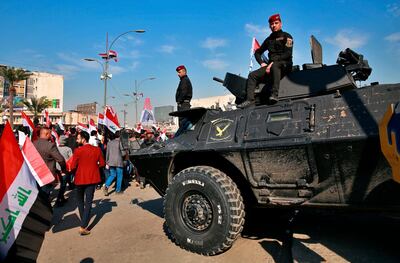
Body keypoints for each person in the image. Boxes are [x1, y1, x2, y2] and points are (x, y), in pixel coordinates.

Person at [238, 14, 293, 108]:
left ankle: (274, 94)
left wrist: (272, 63)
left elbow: (288, 54)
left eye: (276, 23)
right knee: (252, 75)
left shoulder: (287, 37)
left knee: (276, 65)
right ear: (269, 26)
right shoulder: (269, 40)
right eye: (272, 24)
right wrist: (262, 63)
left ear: (281, 24)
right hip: (270, 66)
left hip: (285, 64)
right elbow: (258, 52)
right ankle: (250, 100)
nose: (274, 25)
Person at [70, 131, 105, 235]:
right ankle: (83, 224)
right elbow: (102, 163)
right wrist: (94, 167)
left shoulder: (78, 151)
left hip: (79, 179)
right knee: (88, 202)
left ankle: (83, 223)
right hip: (92, 178)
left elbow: (72, 166)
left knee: (80, 201)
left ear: (83, 139)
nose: (76, 140)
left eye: (78, 138)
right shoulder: (97, 150)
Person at [33, 127, 66, 199]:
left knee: (37, 196)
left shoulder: (33, 144)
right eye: (50, 134)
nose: (51, 136)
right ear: (47, 134)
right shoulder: (50, 145)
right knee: (45, 196)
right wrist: (63, 169)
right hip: (47, 176)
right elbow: (60, 160)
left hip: (34, 174)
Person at [103, 131, 127, 195]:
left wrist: (107, 161)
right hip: (119, 161)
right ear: (120, 136)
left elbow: (107, 153)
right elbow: (123, 153)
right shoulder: (120, 142)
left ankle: (106, 186)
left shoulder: (109, 143)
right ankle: (118, 190)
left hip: (110, 161)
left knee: (112, 175)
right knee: (119, 176)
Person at [55, 135, 73, 207]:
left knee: (62, 182)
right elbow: (71, 159)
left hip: (57, 168)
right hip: (65, 168)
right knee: (63, 184)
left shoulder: (56, 148)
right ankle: (58, 200)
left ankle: (62, 198)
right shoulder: (68, 149)